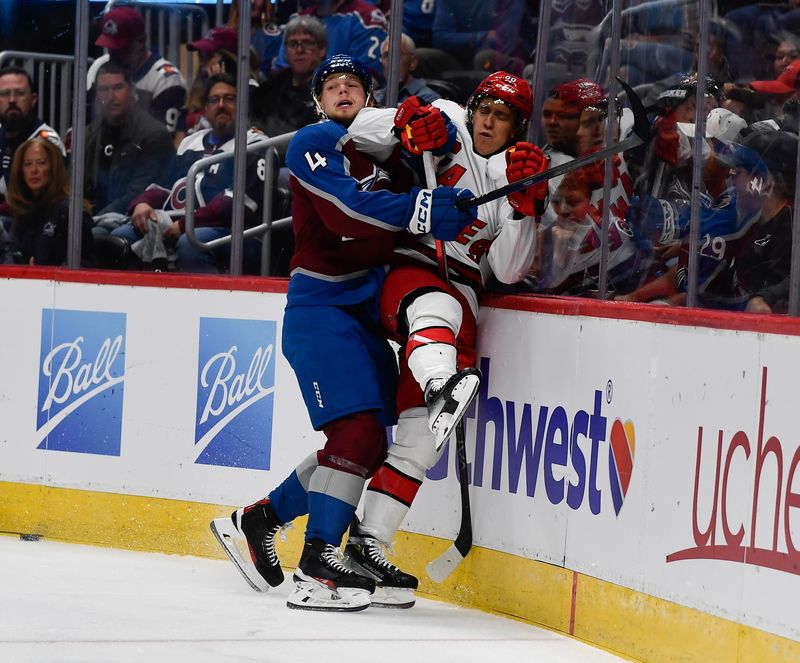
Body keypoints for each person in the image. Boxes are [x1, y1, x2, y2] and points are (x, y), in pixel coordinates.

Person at [211, 54, 477, 612]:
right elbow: (344, 210)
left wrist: (441, 134)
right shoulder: (311, 140)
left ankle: (257, 519)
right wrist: (422, 209)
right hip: (320, 309)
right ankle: (318, 562)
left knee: (368, 441)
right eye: (331, 86)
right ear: (317, 102)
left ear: (370, 97)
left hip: (361, 315)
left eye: (353, 84)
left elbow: (448, 138)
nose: (342, 91)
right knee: (356, 438)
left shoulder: (387, 148)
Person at [338, 71, 546, 607]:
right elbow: (354, 129)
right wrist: (405, 124)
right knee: (437, 310)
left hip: (465, 295)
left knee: (420, 442)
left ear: (517, 126)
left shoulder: (519, 170)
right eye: (485, 109)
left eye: (502, 116)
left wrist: (527, 209)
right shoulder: (448, 118)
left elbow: (509, 267)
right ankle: (441, 385)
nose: (487, 121)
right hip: (412, 272)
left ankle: (367, 546)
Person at [111, 73, 267, 273]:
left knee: (191, 243)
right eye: (214, 99)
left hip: (237, 233)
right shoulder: (190, 142)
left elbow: (238, 203)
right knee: (122, 235)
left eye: (229, 99)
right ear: (205, 108)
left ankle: (206, 304)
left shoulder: (256, 144)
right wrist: (143, 204)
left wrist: (185, 225)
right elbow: (165, 185)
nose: (221, 105)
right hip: (182, 225)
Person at [84, 62, 175, 228]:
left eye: (118, 88)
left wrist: (89, 221)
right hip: (94, 218)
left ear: (131, 90)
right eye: (104, 89)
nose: (111, 97)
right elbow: (74, 185)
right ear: (97, 94)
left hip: (133, 219)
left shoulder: (153, 134)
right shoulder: (90, 134)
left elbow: (137, 194)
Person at [87, 6, 187, 136]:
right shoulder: (99, 66)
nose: (113, 53)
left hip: (145, 152)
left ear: (140, 42)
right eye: (110, 46)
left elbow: (161, 140)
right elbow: (84, 120)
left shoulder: (166, 79)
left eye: (120, 47)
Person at [5, 137, 93, 266]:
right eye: (28, 164)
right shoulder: (23, 209)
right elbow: (12, 251)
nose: (34, 170)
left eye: (41, 163)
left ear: (53, 168)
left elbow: (83, 265)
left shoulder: (70, 211)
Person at [253, 15, 327, 139]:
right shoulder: (271, 87)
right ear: (286, 51)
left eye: (307, 43)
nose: (299, 50)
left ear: (322, 50)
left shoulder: (332, 89)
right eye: (292, 44)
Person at [0, 66, 65, 204]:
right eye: (5, 94)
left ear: (33, 99)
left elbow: (45, 201)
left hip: (31, 220)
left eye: (20, 93)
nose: (12, 100)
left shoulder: (47, 140)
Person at [376, 34, 440, 106]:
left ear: (413, 62)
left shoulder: (429, 100)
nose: (391, 62)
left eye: (397, 55)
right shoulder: (376, 98)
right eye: (387, 56)